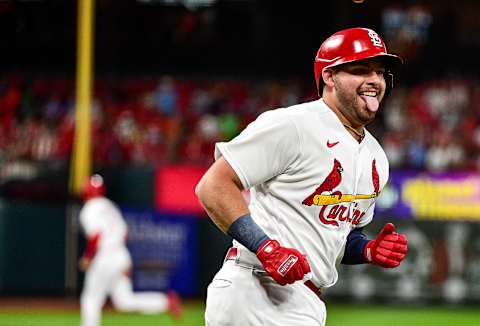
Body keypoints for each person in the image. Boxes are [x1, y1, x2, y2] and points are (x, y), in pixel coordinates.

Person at [195, 27, 409, 326]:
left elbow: (339, 235)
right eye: (360, 69)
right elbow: (213, 186)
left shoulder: (376, 157)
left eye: (380, 72)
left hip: (307, 301)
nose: (374, 80)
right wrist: (266, 248)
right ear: (329, 77)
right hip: (255, 289)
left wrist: (368, 249)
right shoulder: (293, 125)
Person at [78, 174, 182, 326]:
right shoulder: (110, 206)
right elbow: (125, 233)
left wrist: (88, 257)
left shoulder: (89, 209)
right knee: (124, 300)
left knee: (91, 300)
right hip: (121, 255)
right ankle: (164, 301)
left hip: (104, 257)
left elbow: (95, 235)